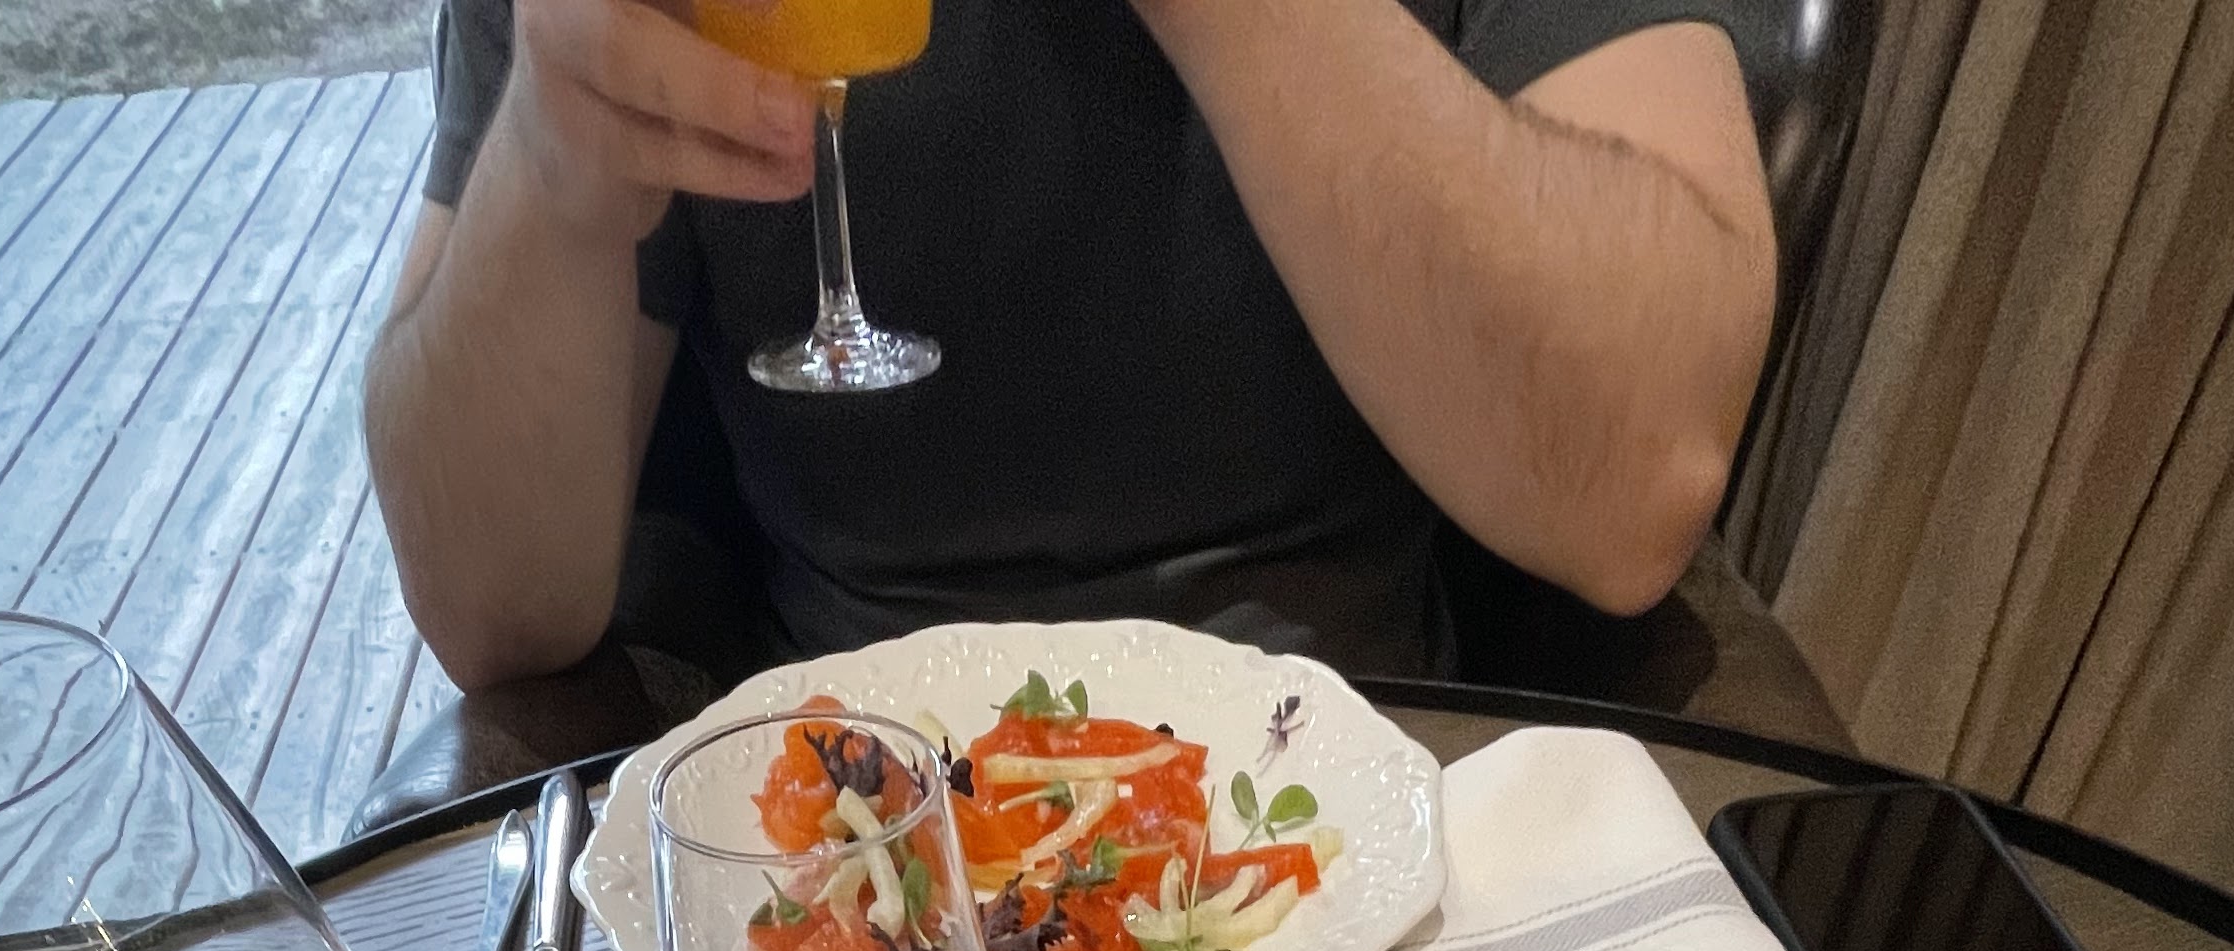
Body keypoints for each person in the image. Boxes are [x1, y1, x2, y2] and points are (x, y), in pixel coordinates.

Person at [366, 1, 1783, 690]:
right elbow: (486, 609)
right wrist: (548, 165)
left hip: (1360, 797)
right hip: (837, 841)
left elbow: (1636, 486)